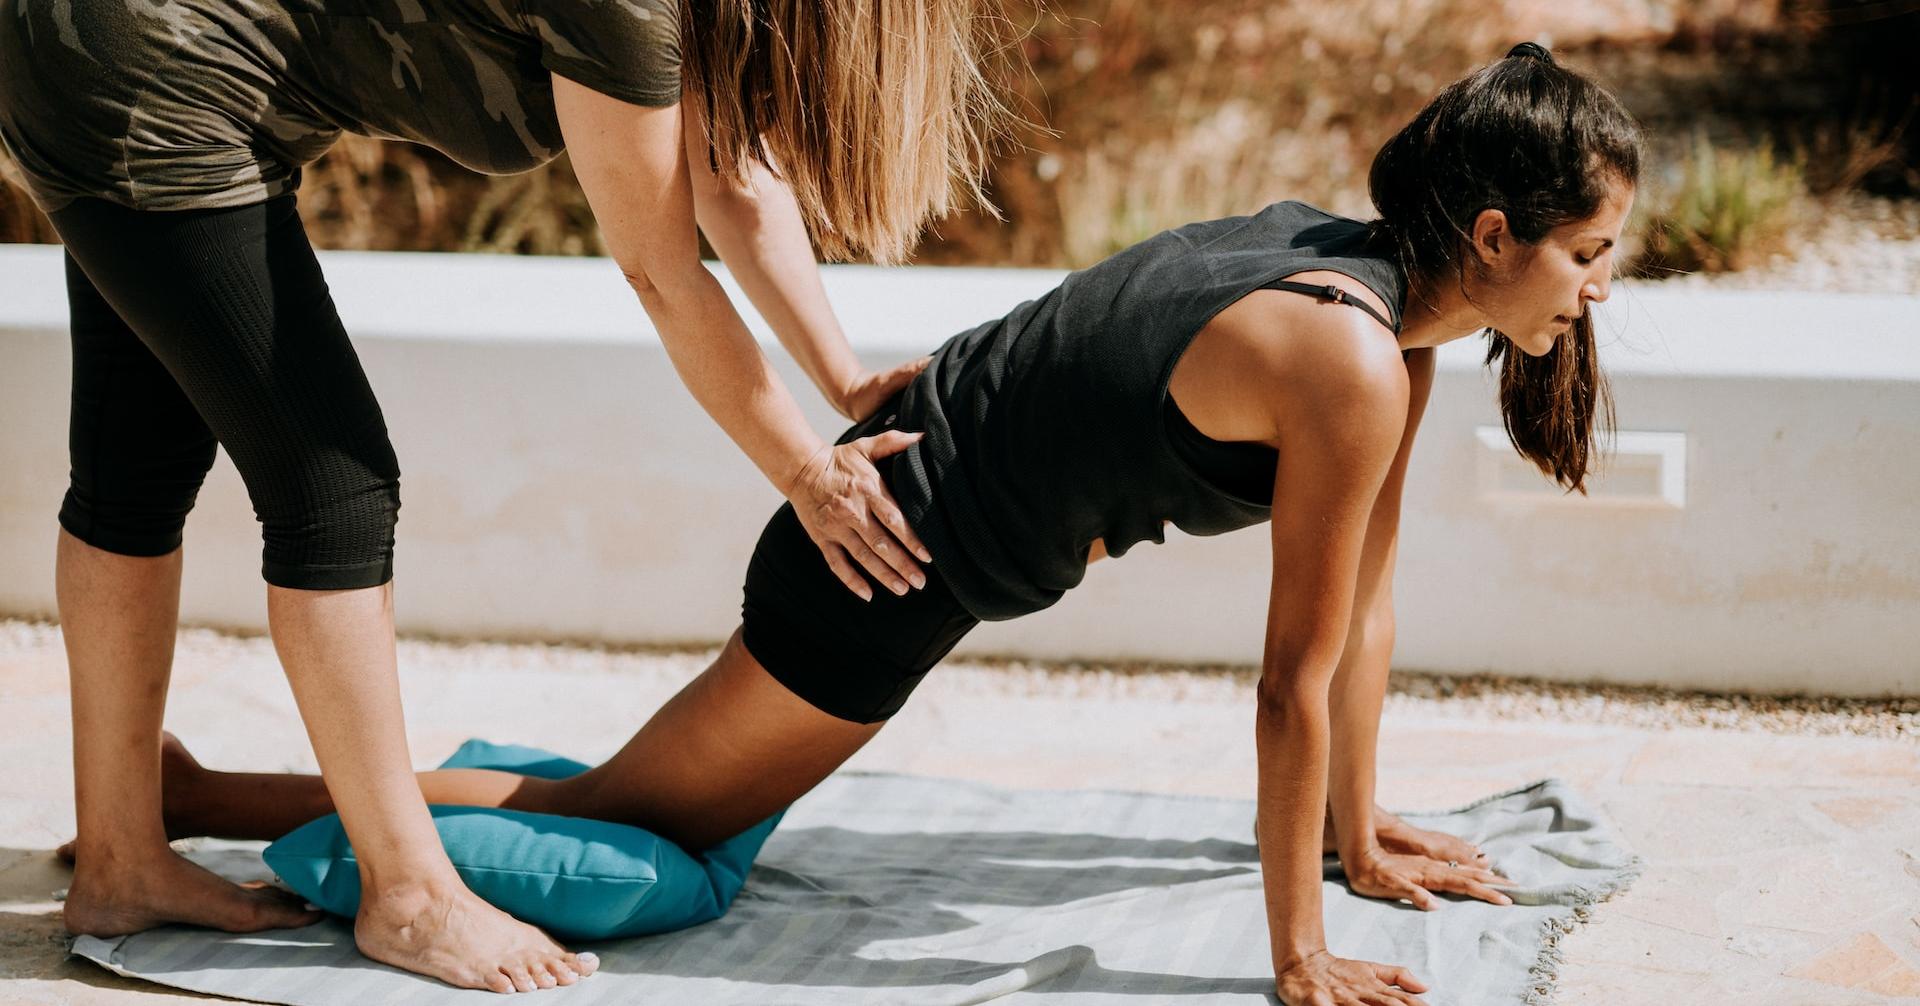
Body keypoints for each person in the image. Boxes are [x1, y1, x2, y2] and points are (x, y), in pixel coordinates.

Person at [59, 42, 1642, 1006]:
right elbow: (1290, 680)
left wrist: (1354, 839)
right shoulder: (1351, 357)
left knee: (639, 792)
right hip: (885, 554)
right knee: (647, 831)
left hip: (915, 512)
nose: (1599, 286)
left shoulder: (1381, 310)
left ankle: (197, 780)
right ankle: (236, 803)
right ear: (1491, 232)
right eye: (1589, 249)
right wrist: (1297, 956)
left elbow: (1357, 613)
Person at [0, 0, 1018, 993]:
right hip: (141, 63)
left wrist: (842, 381)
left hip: (111, 51)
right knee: (335, 489)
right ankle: (407, 895)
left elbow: (731, 179)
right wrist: (805, 473)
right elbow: (660, 273)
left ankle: (122, 865)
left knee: (137, 466)